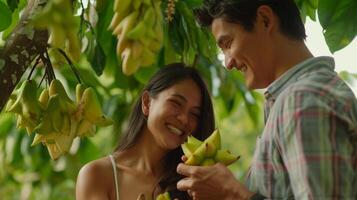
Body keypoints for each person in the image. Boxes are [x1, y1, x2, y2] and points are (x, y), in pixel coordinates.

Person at [176, 0, 357, 199]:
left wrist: (232, 193)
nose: (228, 63)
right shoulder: (297, 97)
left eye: (228, 44)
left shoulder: (302, 99)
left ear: (264, 20)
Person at [76, 63, 215, 200]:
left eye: (195, 114)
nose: (185, 119)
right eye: (176, 103)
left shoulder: (195, 184)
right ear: (147, 103)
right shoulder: (96, 176)